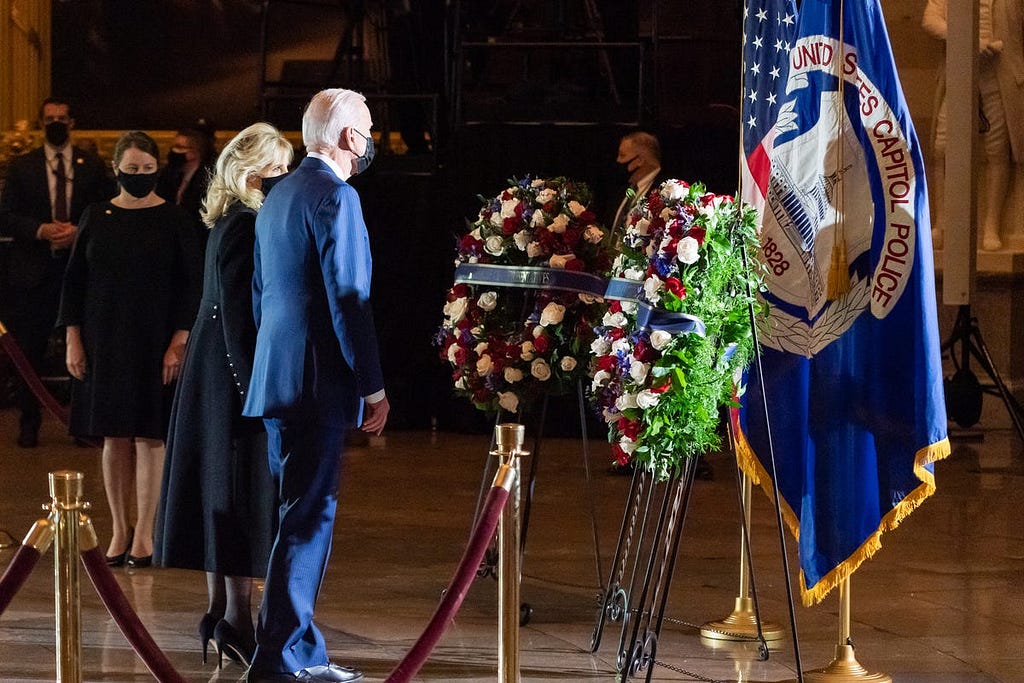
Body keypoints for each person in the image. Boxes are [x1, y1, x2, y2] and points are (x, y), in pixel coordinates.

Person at [240, 89, 389, 683]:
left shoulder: (278, 196)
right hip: (316, 382)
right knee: (309, 518)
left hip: (278, 376)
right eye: (370, 129)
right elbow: (349, 300)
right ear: (349, 138)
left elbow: (260, 294)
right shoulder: (337, 196)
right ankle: (279, 658)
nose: (373, 139)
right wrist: (373, 387)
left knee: (294, 516)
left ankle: (298, 647)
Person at [155, 123, 293, 669]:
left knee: (221, 488)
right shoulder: (246, 225)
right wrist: (253, 392)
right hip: (230, 378)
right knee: (236, 491)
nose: (286, 178)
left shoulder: (227, 221)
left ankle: (219, 614)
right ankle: (235, 618)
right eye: (279, 168)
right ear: (253, 170)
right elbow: (239, 318)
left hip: (212, 375)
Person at [57, 130, 199, 569]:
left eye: (147, 169)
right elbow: (74, 282)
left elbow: (191, 286)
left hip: (156, 342)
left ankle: (145, 533)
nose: (139, 175)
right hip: (105, 340)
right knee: (114, 436)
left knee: (150, 437)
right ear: (117, 168)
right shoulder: (95, 216)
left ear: (158, 170)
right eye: (132, 169)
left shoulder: (175, 218)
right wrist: (72, 337)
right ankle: (118, 528)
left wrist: (179, 340)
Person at [0, 97, 111, 448]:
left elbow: (105, 211)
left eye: (62, 117)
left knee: (81, 351)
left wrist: (80, 231)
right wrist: (41, 230)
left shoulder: (91, 165)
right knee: (29, 349)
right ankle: (29, 423)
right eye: (50, 118)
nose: (56, 123)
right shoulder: (22, 167)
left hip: (79, 271)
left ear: (72, 122)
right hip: (33, 273)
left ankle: (81, 424)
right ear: (41, 123)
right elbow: (6, 215)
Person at [923, 0, 1024, 251]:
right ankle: (942, 223)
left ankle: (991, 225)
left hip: (999, 73)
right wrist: (968, 42)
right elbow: (930, 19)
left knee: (997, 149)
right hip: (958, 71)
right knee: (941, 148)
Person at [608, 130, 665, 247]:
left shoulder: (664, 191)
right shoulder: (625, 188)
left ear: (639, 160)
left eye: (622, 155)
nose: (618, 161)